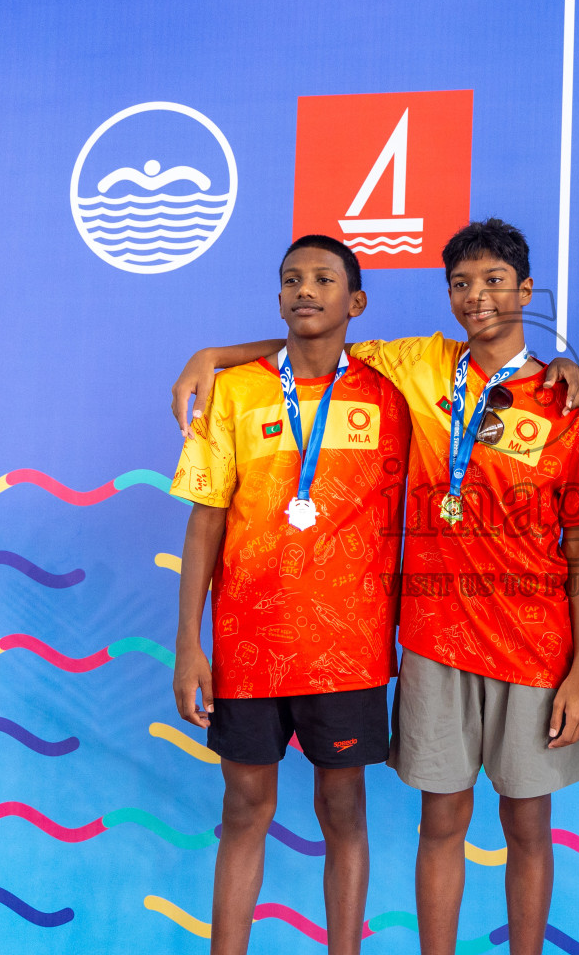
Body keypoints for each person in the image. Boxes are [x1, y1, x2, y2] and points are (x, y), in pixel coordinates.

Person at [171, 219, 579, 955]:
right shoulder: (417, 367)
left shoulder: (564, 400)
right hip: (421, 641)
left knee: (521, 825)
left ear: (526, 292)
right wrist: (213, 354)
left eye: (494, 282)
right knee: (433, 824)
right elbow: (311, 344)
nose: (477, 297)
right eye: (461, 284)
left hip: (520, 646)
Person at [170, 234, 410, 955]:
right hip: (247, 649)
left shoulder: (391, 391)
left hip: (348, 650)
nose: (305, 290)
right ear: (277, 297)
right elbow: (204, 522)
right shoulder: (235, 392)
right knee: (245, 809)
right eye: (291, 279)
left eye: (324, 279)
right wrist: (189, 645)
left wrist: (557, 363)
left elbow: (487, 362)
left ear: (356, 301)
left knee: (344, 810)